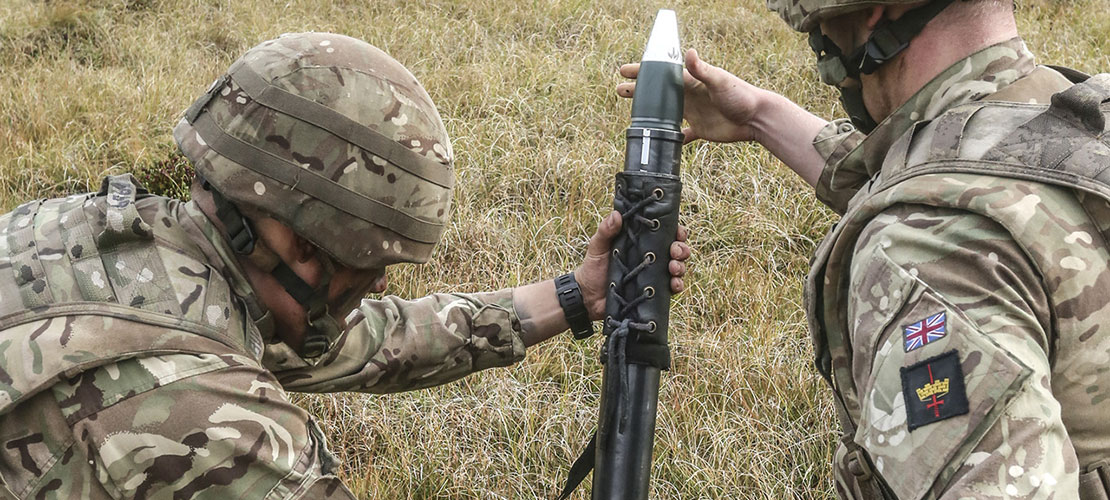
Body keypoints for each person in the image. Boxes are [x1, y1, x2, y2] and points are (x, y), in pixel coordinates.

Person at [0, 32, 691, 498]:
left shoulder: (89, 239)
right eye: (374, 265)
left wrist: (577, 295)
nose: (384, 284)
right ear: (304, 243)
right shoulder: (218, 428)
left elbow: (372, 339)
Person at [620, 0, 1110, 498]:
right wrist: (761, 117)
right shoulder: (1079, 118)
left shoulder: (927, 256)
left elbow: (950, 206)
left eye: (825, 30)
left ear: (872, 14)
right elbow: (968, 172)